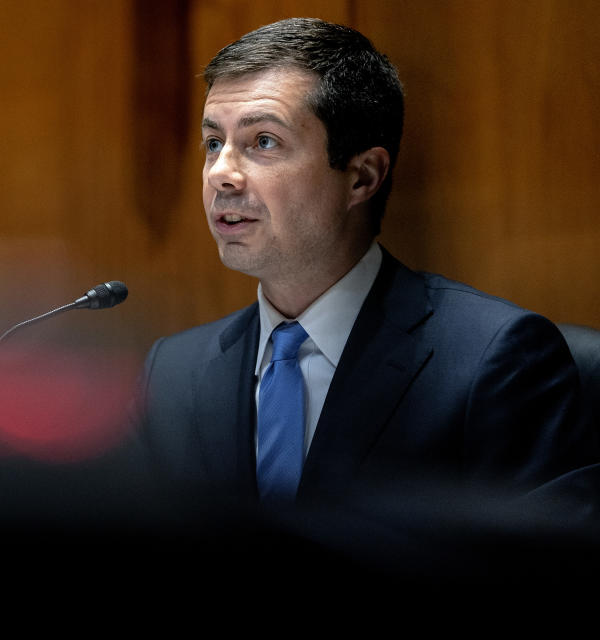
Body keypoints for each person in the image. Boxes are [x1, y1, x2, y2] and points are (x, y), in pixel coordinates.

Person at [133, 18, 600, 543]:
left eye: (263, 141)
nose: (221, 172)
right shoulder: (172, 372)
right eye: (213, 142)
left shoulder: (496, 359)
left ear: (362, 177)